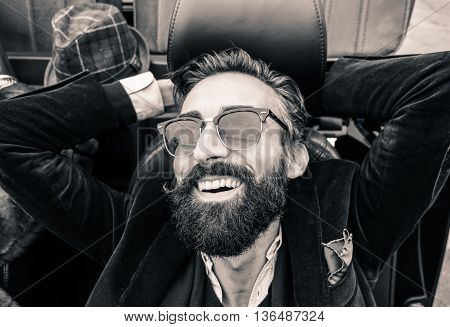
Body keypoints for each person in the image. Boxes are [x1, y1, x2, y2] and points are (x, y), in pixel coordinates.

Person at [0, 48, 448, 306]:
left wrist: (302, 73)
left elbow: (438, 84)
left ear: (294, 158)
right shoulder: (132, 231)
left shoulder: (351, 218)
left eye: (242, 126)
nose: (206, 148)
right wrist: (150, 93)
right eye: (187, 129)